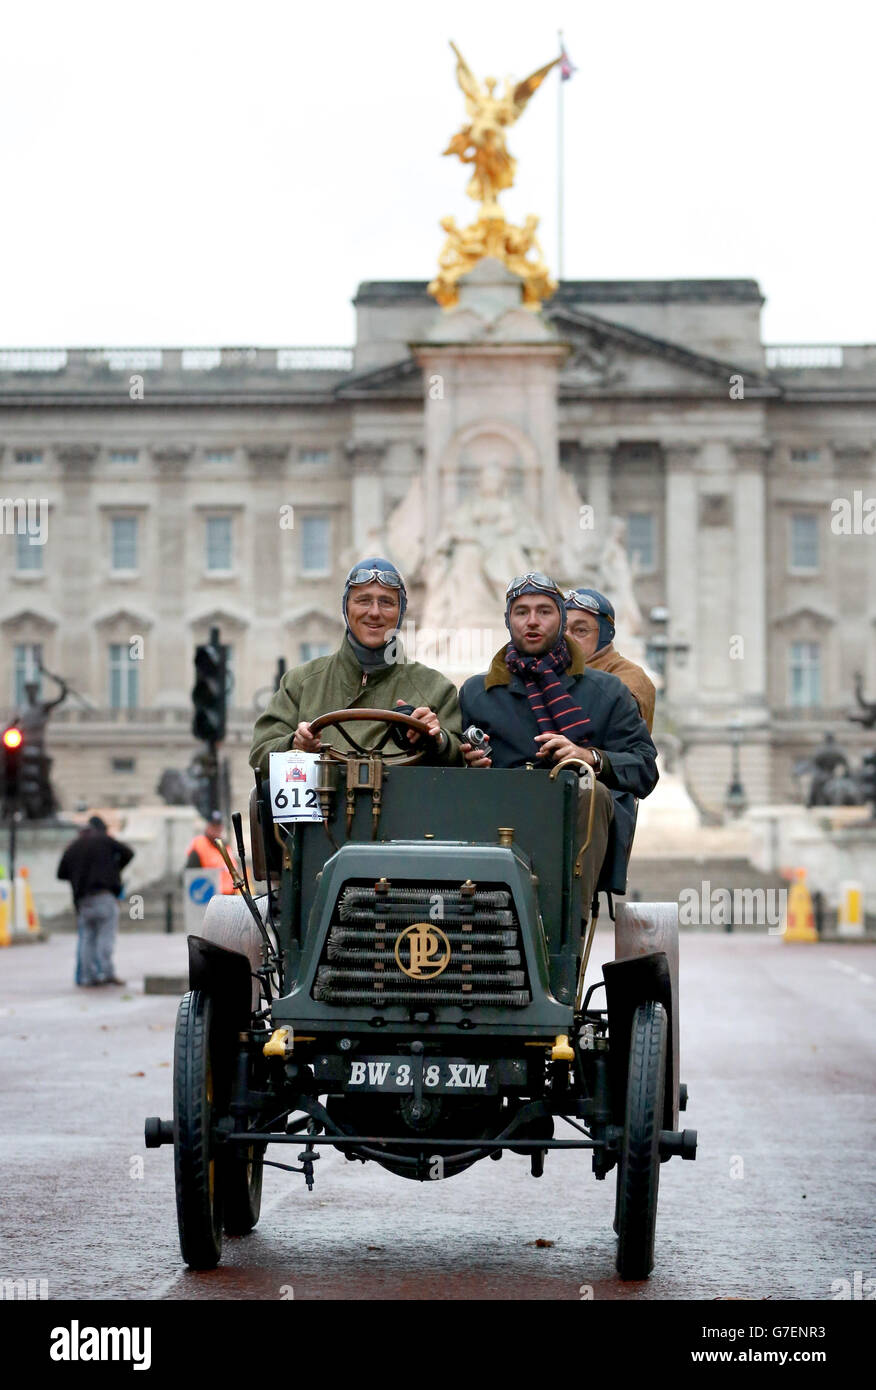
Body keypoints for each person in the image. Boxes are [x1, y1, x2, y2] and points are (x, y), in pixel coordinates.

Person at [458, 573, 658, 913]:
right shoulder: (477, 693)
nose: (532, 621)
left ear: (561, 620)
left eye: (544, 611)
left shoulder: (607, 692)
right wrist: (466, 761)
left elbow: (644, 769)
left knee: (589, 792)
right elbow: (448, 769)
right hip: (497, 824)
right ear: (508, 621)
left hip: (574, 829)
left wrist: (590, 758)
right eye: (521, 612)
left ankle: (567, 920)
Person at [249, 557, 463, 774]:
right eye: (363, 600)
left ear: (401, 612)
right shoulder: (301, 683)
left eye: (387, 602)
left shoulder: (436, 688)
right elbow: (261, 753)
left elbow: (463, 759)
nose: (374, 612)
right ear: (346, 608)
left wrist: (437, 738)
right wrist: (295, 745)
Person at [565, 587, 656, 732]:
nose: (567, 638)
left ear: (605, 635)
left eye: (580, 630)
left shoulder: (630, 677)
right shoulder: (554, 669)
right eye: (562, 630)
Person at [57, 816, 134, 987]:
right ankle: (106, 973)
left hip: (83, 899)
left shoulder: (74, 845)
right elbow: (128, 853)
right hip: (104, 896)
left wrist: (77, 875)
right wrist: (114, 869)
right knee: (105, 937)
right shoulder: (104, 840)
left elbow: (61, 873)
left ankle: (87, 976)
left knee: (87, 938)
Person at [185, 811, 237, 894]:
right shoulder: (199, 846)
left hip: (229, 897)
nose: (216, 828)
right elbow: (189, 876)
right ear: (207, 826)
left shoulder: (225, 846)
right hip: (209, 898)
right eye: (213, 825)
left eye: (218, 825)